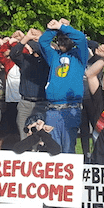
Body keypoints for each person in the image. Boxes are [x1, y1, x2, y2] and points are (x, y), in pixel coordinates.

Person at [40, 19, 88, 153]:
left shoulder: (79, 56)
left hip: (70, 109)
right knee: (52, 149)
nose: (62, 43)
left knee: (68, 149)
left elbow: (81, 38)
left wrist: (63, 27)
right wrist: (53, 29)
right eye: (59, 40)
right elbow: (43, 42)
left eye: (65, 40)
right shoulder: (54, 56)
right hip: (52, 110)